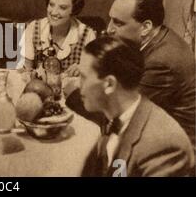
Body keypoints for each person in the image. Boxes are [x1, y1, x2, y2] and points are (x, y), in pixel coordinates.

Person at [66, 0, 195, 156]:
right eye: (110, 19)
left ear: (145, 27)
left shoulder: (161, 62)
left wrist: (72, 93)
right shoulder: (155, 40)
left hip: (176, 159)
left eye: (118, 23)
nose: (109, 29)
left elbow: (118, 116)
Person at [80, 36, 193, 177]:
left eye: (83, 77)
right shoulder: (115, 116)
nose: (80, 87)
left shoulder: (164, 145)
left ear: (109, 84)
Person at [17, 0, 96, 72]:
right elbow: (25, 69)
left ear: (74, 11)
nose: (54, 12)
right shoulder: (34, 28)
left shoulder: (87, 35)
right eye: (51, 4)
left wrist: (82, 70)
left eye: (62, 8)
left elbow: (92, 74)